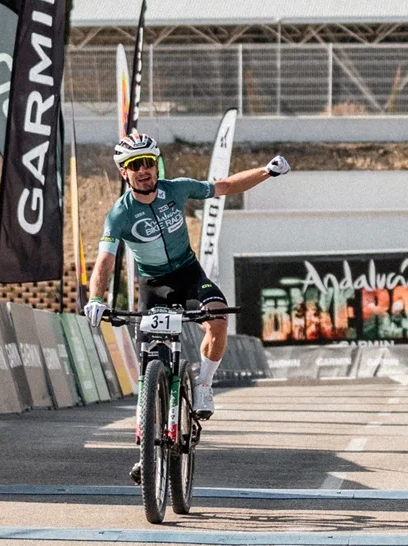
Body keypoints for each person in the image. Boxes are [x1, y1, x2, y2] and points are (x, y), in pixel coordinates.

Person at [85, 133, 291, 480]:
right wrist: (95, 299)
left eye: (149, 162)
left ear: (157, 164)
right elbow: (104, 261)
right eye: (135, 166)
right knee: (152, 368)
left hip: (188, 273)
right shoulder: (119, 215)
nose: (144, 171)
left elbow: (223, 186)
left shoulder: (176, 189)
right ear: (125, 173)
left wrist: (266, 172)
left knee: (219, 318)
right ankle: (145, 448)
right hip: (153, 286)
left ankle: (205, 384)